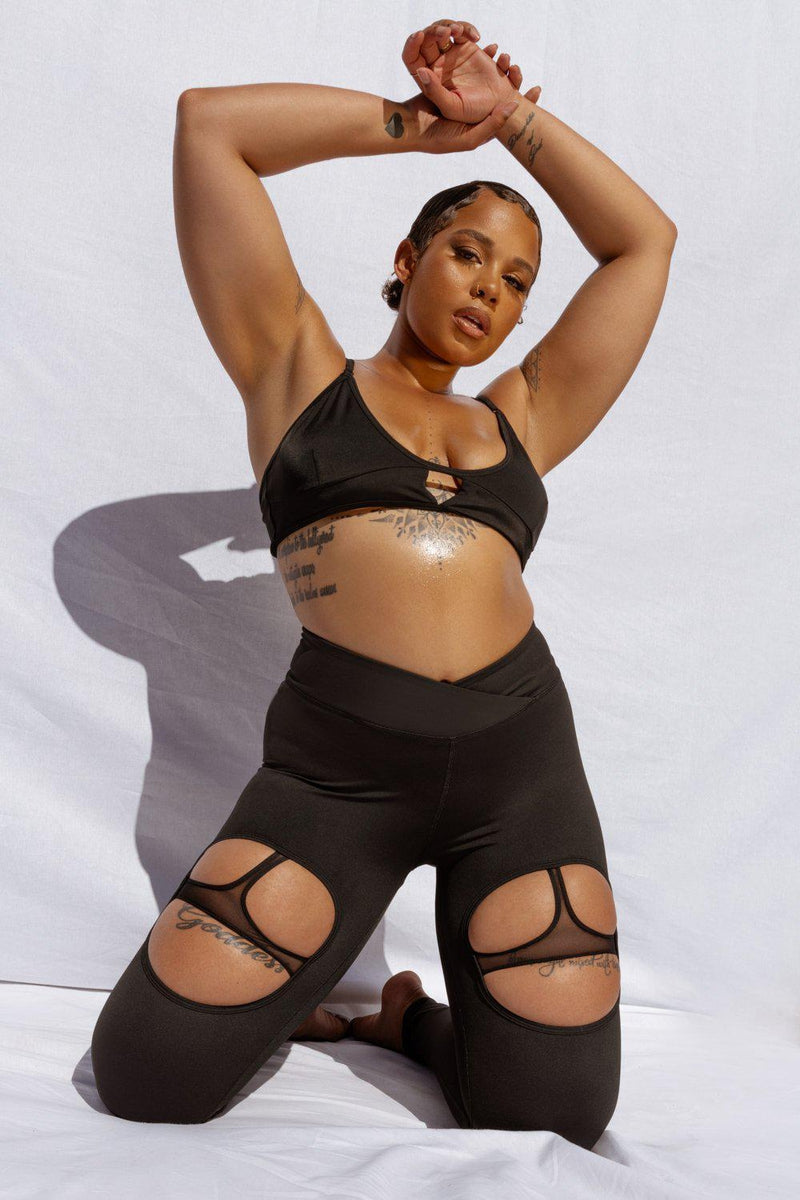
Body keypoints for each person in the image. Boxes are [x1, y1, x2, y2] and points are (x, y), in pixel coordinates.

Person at [90, 19, 677, 1148]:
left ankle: (409, 1020)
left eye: (516, 281)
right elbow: (211, 130)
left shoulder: (522, 416)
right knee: (149, 1078)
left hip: (519, 766)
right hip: (339, 771)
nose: (490, 290)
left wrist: (513, 120)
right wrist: (423, 127)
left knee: (554, 1115)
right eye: (467, 254)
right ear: (408, 261)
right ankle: (293, 998)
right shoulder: (298, 373)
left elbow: (643, 243)